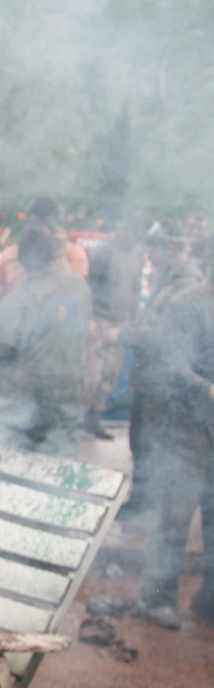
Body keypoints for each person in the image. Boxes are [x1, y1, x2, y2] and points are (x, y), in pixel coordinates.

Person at [130, 228, 214, 629]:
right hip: (185, 427)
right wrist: (207, 388)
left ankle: (209, 601)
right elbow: (173, 365)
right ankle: (156, 598)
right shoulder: (189, 304)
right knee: (174, 517)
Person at [0, 223, 92, 457]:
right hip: (66, 393)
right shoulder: (79, 288)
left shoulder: (18, 298)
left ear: (22, 261)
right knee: (58, 460)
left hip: (23, 395)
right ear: (54, 254)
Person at [121, 221, 208, 525]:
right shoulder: (168, 279)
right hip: (149, 379)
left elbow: (163, 337)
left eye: (154, 246)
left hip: (162, 383)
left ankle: (146, 508)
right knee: (141, 442)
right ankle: (140, 502)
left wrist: (123, 335)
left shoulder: (186, 285)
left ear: (172, 247)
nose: (149, 253)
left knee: (151, 445)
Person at [82, 215, 149, 439]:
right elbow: (89, 284)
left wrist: (134, 318)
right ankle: (76, 418)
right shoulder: (104, 250)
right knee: (91, 372)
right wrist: (90, 317)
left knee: (110, 375)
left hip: (120, 322)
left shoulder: (138, 254)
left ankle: (94, 419)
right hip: (99, 318)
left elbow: (135, 287)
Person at [0, 196, 88, 308]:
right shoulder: (10, 254)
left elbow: (76, 298)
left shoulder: (74, 254)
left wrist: (59, 253)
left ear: (58, 227)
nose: (41, 231)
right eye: (36, 225)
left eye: (47, 226)